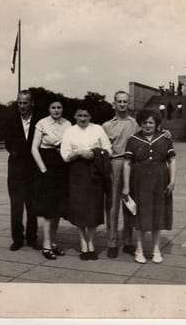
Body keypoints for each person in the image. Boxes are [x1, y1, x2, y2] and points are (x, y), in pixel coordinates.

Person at [122, 108, 176, 264]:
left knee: (157, 215)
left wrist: (172, 181)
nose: (148, 125)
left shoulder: (165, 138)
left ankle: (156, 250)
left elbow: (172, 160)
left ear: (156, 123)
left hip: (160, 181)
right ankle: (139, 250)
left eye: (151, 122)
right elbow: (127, 163)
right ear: (140, 123)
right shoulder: (133, 139)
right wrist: (126, 186)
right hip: (139, 181)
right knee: (140, 216)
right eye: (145, 122)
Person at [61, 103, 112, 261]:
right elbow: (64, 154)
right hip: (77, 173)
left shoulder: (97, 129)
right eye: (80, 116)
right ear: (75, 117)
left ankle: (92, 243)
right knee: (80, 209)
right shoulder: (70, 131)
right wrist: (79, 153)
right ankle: (83, 243)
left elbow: (109, 149)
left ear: (90, 117)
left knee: (93, 209)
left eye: (86, 116)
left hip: (95, 173)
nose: (83, 118)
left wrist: (95, 153)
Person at [31, 95, 71, 260]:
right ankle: (46, 246)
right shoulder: (42, 123)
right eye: (53, 107)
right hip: (47, 166)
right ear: (49, 109)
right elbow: (34, 148)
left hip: (62, 167)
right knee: (48, 209)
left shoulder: (68, 124)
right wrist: (43, 169)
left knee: (57, 209)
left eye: (59, 107)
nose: (56, 110)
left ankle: (53, 243)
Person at [103, 91, 138, 258]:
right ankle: (112, 242)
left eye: (125, 101)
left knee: (129, 203)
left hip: (132, 165)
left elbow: (149, 135)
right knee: (112, 205)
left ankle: (129, 241)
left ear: (128, 104)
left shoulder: (135, 124)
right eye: (119, 101)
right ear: (114, 104)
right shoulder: (107, 126)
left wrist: (166, 133)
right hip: (115, 164)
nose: (122, 104)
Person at [5, 90, 39, 251]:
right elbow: (9, 145)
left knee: (32, 206)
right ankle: (17, 239)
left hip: (33, 171)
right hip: (16, 170)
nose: (22, 106)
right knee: (16, 206)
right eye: (20, 102)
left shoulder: (39, 121)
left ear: (31, 103)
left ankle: (32, 237)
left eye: (25, 103)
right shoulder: (10, 120)